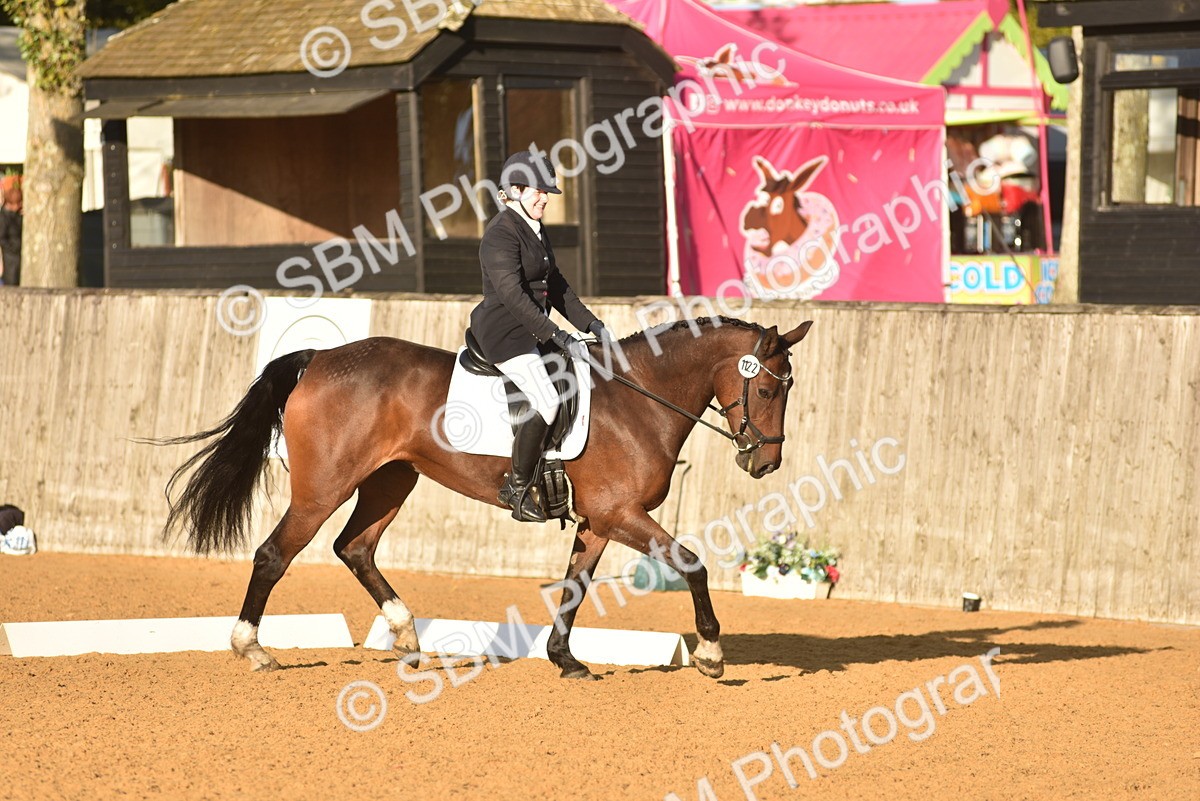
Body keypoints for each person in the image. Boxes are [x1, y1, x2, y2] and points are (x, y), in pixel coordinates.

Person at [468, 151, 613, 522]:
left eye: (547, 193)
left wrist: (591, 325)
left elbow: (557, 286)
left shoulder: (533, 228)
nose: (546, 199)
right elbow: (514, 296)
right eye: (539, 192)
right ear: (515, 191)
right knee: (547, 400)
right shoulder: (500, 235)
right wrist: (556, 334)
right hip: (505, 334)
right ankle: (515, 488)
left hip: (533, 329)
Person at [0, 178, 21, 287]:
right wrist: (14, 247)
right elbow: (2, 238)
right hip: (11, 260)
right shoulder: (3, 217)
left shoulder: (18, 215)